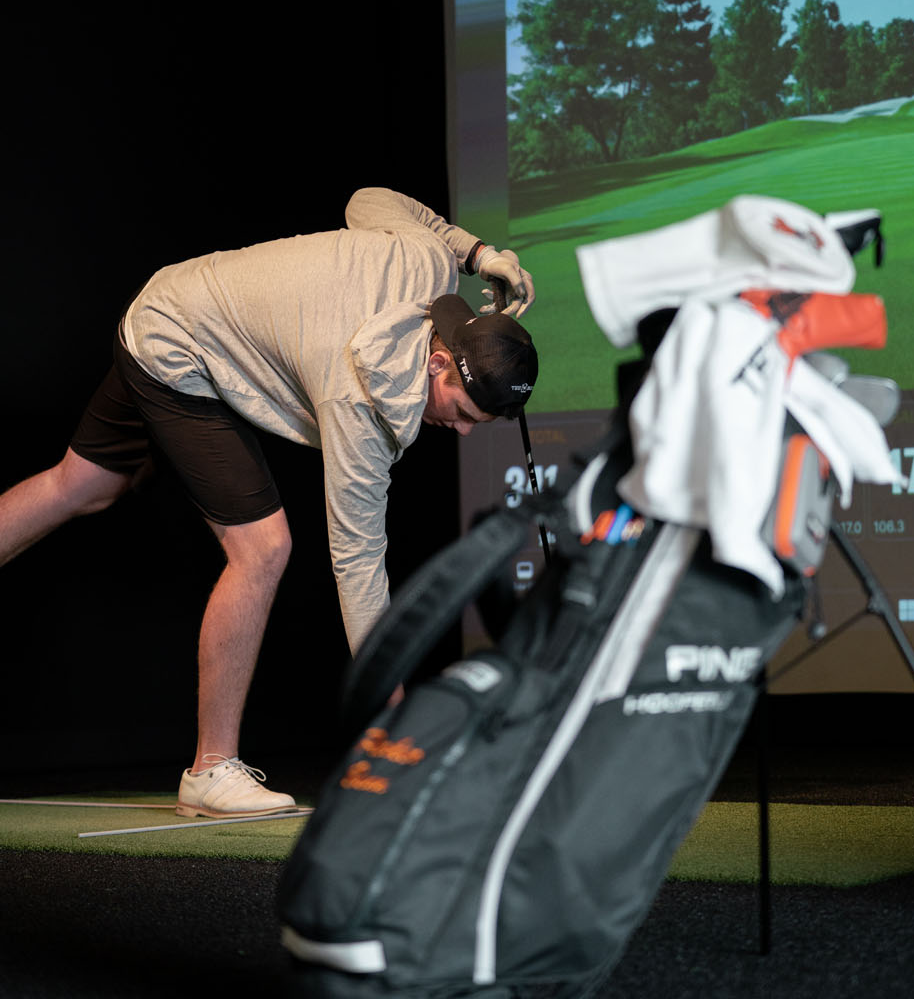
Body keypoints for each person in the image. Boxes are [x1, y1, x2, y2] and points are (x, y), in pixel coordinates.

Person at [0, 188, 538, 818]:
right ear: (441, 360)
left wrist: (475, 252)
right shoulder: (359, 403)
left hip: (175, 298)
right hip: (180, 345)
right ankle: (210, 771)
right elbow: (359, 566)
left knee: (82, 486)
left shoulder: (429, 261)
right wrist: (393, 724)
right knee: (262, 548)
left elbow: (367, 203)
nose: (465, 431)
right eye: (463, 412)